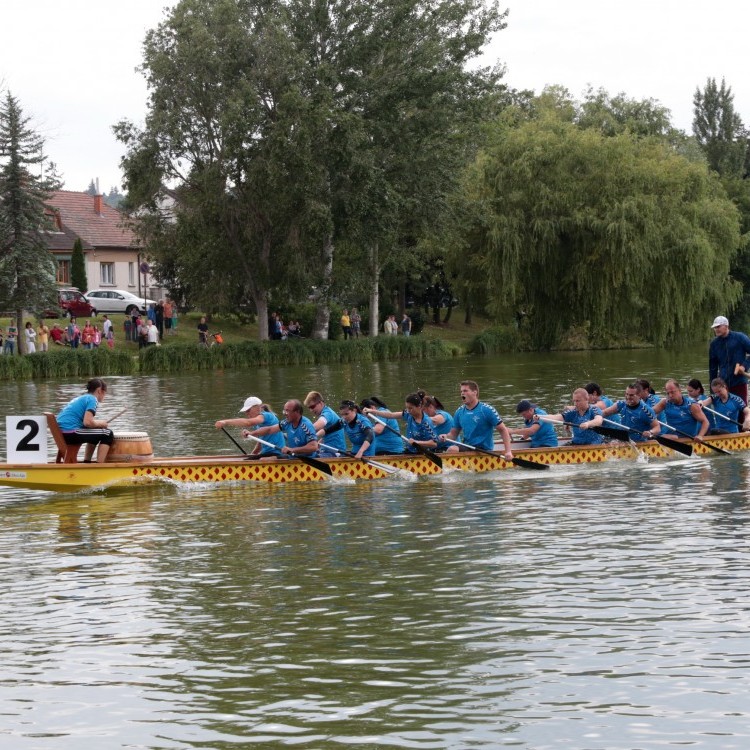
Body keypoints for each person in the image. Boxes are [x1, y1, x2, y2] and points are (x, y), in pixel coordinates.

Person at [442, 380, 513, 459]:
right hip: (467, 447)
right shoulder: (459, 412)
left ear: (474, 392)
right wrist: (446, 436)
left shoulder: (487, 410)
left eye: (465, 391)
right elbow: (453, 434)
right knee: (452, 449)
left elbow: (503, 430)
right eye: (461, 391)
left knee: (452, 449)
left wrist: (508, 452)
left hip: (484, 450)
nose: (462, 393)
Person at [55, 378, 114, 462]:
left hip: (63, 432)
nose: (105, 395)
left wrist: (98, 424)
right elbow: (87, 422)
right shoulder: (93, 399)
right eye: (105, 392)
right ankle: (101, 466)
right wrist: (101, 424)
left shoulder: (82, 398)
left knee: (96, 430)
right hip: (72, 432)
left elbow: (87, 422)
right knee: (107, 433)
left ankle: (87, 462)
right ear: (99, 390)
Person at [364, 391, 438, 453]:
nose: (408, 410)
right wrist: (372, 411)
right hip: (410, 451)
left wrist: (417, 442)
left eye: (411, 408)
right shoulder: (408, 414)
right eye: (407, 408)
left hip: (423, 453)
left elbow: (434, 443)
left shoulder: (426, 422)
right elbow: (391, 415)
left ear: (419, 406)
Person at [215, 396, 285, 458]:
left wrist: (225, 422)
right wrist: (252, 455)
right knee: (247, 459)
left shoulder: (267, 416)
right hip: (267, 454)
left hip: (276, 453)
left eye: (248, 410)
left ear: (258, 408)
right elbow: (260, 442)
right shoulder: (258, 424)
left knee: (261, 460)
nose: (246, 413)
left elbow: (248, 422)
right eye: (245, 411)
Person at [247, 399, 320, 457]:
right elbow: (269, 429)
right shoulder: (286, 422)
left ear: (297, 412)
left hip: (307, 459)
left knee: (266, 460)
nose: (285, 413)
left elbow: (314, 446)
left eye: (287, 411)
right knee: (270, 459)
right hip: (293, 457)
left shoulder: (306, 426)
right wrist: (251, 433)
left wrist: (292, 450)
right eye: (284, 410)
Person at [708, 315, 750, 405]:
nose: (716, 329)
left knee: (742, 409)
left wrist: (744, 366)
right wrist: (712, 387)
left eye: (718, 326)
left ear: (726, 326)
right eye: (715, 327)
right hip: (723, 384)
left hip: (739, 382)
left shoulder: (740, 338)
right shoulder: (714, 344)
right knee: (726, 410)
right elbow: (713, 368)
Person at [304, 391, 346, 457]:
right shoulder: (325, 413)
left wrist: (301, 431)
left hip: (336, 452)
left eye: (312, 407)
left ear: (320, 403)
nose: (311, 410)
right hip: (326, 450)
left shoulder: (327, 413)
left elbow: (318, 424)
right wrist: (318, 442)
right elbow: (328, 434)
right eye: (309, 408)